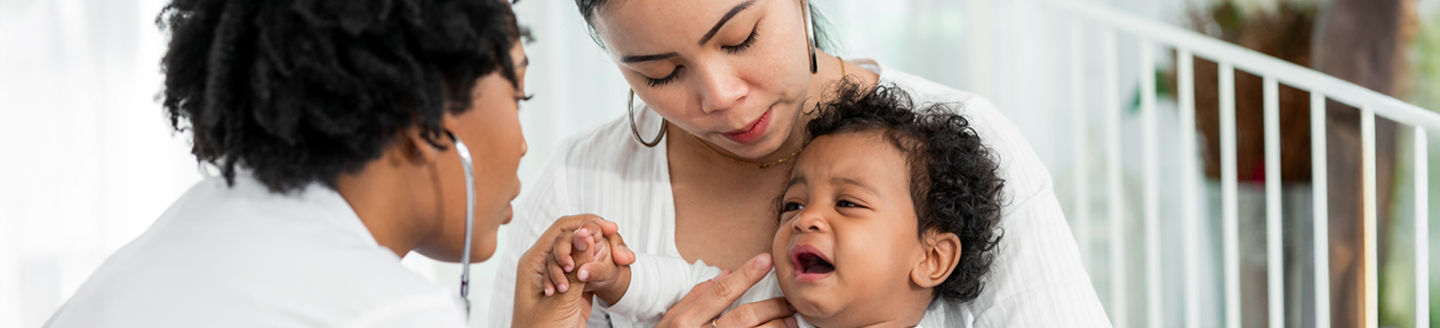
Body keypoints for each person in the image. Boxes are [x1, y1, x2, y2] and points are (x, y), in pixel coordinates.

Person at [497, 0, 1111, 326]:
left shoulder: (961, 145)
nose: (720, 96)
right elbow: (673, 285)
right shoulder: (580, 184)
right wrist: (614, 277)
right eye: (660, 73)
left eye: (741, 38)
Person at [45, 0, 538, 326]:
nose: (523, 145)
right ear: (426, 111)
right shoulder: (390, 312)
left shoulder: (170, 240)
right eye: (518, 91)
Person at [548, 82, 1007, 327]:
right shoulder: (771, 302)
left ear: (931, 258)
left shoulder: (958, 320)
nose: (807, 218)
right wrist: (614, 275)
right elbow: (677, 283)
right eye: (791, 205)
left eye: (847, 203)